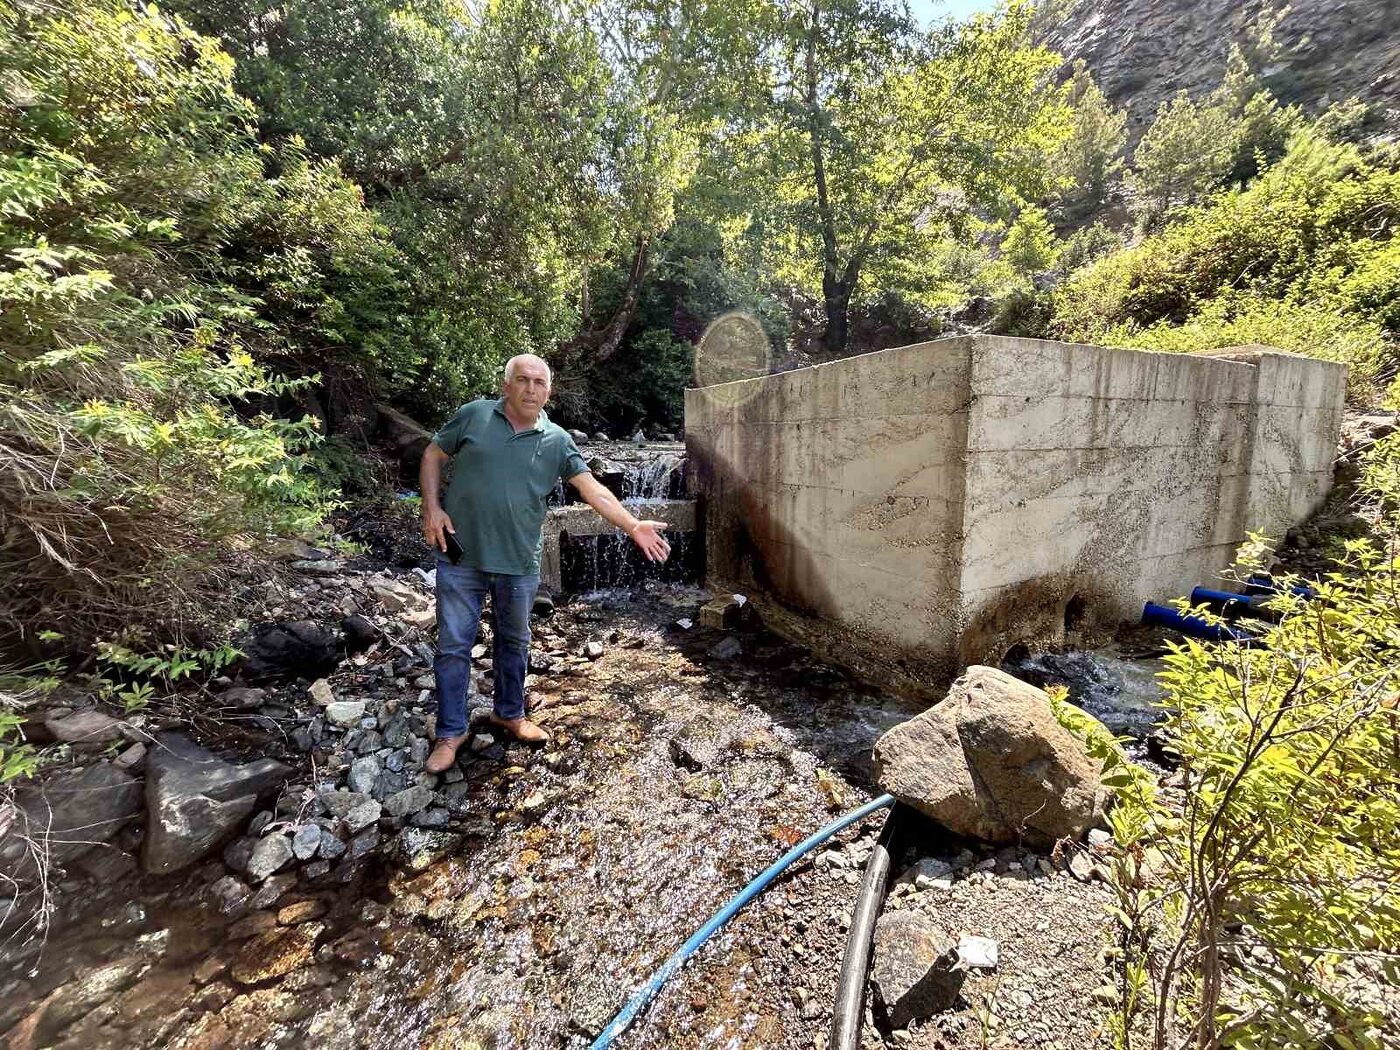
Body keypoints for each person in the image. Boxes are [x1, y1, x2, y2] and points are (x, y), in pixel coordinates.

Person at [418, 353, 671, 773]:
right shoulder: (474, 416)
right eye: (523, 380)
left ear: (549, 391)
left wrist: (633, 526)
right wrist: (431, 507)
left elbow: (594, 491)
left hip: (518, 561)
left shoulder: (556, 440)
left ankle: (510, 713)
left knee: (514, 642)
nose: (531, 388)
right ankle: (451, 732)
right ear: (507, 385)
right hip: (460, 555)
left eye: (539, 382)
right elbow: (432, 455)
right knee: (453, 647)